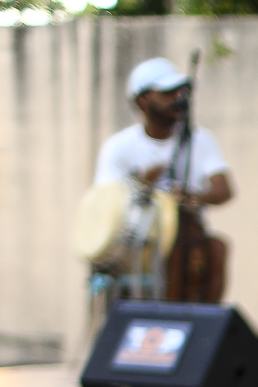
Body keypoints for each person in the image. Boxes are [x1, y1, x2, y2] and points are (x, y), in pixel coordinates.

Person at [94, 56, 235, 302]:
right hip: (139, 241)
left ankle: (204, 326)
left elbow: (223, 190)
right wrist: (142, 186)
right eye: (168, 93)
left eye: (180, 92)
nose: (177, 99)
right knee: (170, 250)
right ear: (143, 100)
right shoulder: (119, 146)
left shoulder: (200, 139)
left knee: (216, 248)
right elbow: (106, 202)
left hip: (188, 232)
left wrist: (191, 197)